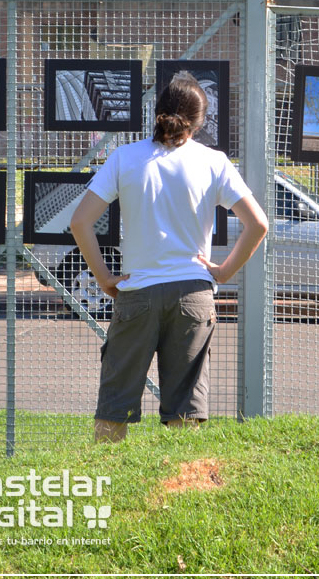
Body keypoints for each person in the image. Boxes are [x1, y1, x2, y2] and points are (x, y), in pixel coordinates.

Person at [69, 75, 267, 443]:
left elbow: (80, 222)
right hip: (194, 295)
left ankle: (106, 486)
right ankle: (179, 493)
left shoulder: (125, 157)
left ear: (157, 111)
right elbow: (258, 224)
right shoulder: (214, 162)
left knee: (113, 412)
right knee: (185, 415)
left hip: (137, 293)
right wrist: (223, 272)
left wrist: (104, 278)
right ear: (199, 120)